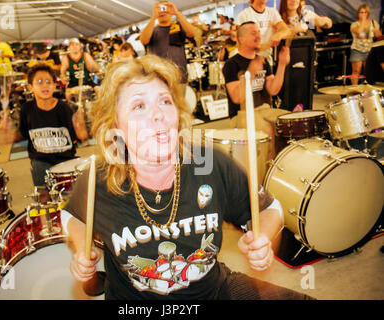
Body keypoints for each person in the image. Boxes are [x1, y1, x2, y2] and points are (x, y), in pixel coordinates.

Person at [60, 54, 311, 300]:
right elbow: (72, 215)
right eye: (139, 106)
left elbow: (269, 208)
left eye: (165, 102)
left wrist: (263, 238)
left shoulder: (209, 164)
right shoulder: (100, 179)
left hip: (213, 292)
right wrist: (83, 247)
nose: (158, 114)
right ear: (116, 130)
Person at [3, 63, 88, 190]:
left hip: (66, 158)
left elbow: (81, 137)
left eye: (49, 82)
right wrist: (9, 134)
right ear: (30, 87)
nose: (45, 85)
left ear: (55, 86)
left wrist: (80, 128)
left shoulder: (65, 108)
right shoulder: (27, 109)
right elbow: (22, 135)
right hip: (41, 160)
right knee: (42, 189)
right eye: (39, 82)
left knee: (74, 194)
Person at [222, 21, 290, 159]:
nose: (258, 36)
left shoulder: (263, 60)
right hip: (241, 114)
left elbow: (273, 90)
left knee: (290, 123)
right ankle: (267, 172)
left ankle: (282, 167)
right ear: (241, 39)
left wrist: (282, 65)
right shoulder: (231, 64)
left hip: (265, 109)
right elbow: (236, 97)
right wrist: (251, 72)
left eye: (259, 32)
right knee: (267, 130)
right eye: (253, 33)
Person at [139, 1, 196, 84]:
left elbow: (192, 33)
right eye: (160, 8)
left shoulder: (177, 27)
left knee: (179, 97)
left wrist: (177, 13)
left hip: (180, 75)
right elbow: (143, 40)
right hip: (159, 77)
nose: (163, 11)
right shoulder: (152, 30)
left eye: (165, 8)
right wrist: (153, 17)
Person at [235, 0, 290, 65]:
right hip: (250, 59)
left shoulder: (272, 12)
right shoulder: (244, 15)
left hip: (267, 59)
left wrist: (278, 35)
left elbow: (286, 30)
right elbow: (239, 44)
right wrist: (266, 45)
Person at [350, 4, 382, 85]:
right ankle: (355, 90)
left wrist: (377, 32)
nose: (363, 14)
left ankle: (368, 90)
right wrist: (364, 21)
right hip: (357, 50)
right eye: (361, 12)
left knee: (368, 71)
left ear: (368, 13)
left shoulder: (374, 23)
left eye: (365, 12)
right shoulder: (354, 24)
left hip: (369, 50)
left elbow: (379, 36)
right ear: (358, 13)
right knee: (356, 71)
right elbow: (358, 31)